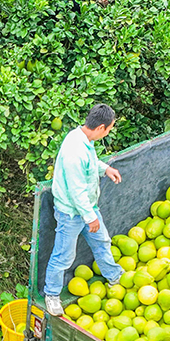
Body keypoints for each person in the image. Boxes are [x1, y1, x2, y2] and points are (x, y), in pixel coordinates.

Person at [43, 103, 124, 316]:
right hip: (71, 212)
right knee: (63, 256)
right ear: (100, 128)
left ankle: (115, 277)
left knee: (102, 242)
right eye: (109, 129)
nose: (107, 133)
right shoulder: (74, 151)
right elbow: (76, 190)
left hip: (88, 207)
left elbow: (90, 164)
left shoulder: (84, 140)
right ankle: (51, 295)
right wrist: (90, 217)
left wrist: (105, 169)